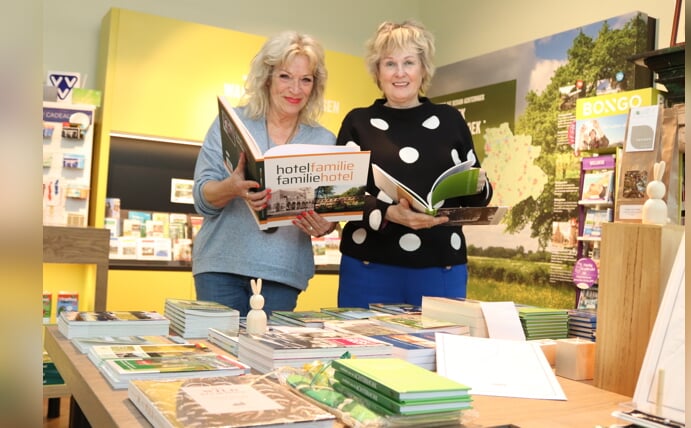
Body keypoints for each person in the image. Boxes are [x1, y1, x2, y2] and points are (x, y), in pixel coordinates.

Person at [335, 20, 493, 308]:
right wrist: (388, 212)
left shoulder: (451, 120)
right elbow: (336, 199)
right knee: (366, 354)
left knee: (437, 352)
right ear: (378, 72)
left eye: (409, 62)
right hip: (369, 268)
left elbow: (476, 193)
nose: (400, 73)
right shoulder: (357, 122)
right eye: (390, 64)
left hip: (441, 268)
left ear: (423, 69)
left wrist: (479, 186)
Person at [192, 31, 337, 316]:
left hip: (282, 272)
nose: (295, 89)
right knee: (219, 357)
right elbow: (202, 199)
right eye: (285, 76)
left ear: (314, 86)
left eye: (305, 79)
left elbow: (332, 212)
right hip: (220, 266)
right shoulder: (232, 123)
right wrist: (232, 188)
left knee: (269, 358)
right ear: (267, 77)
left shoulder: (324, 140)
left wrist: (327, 225)